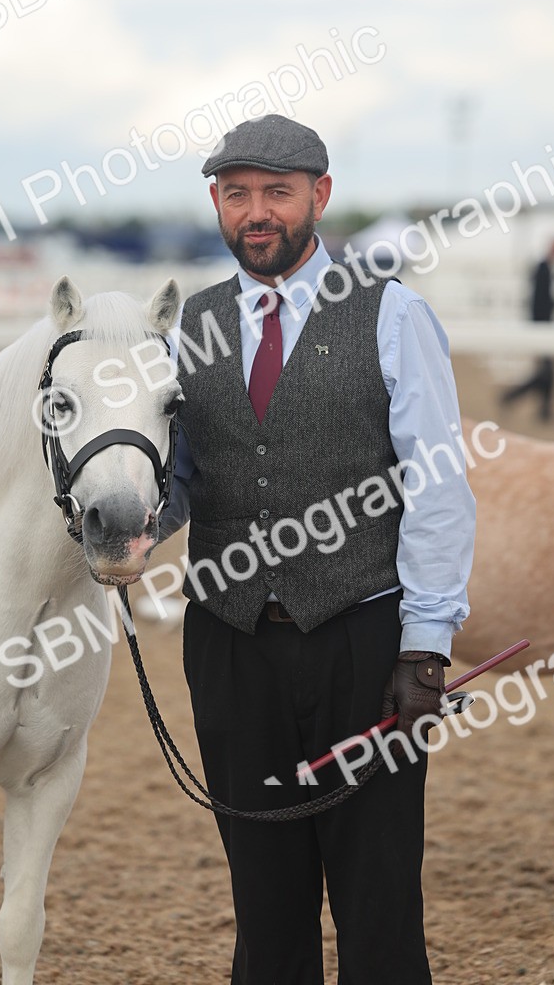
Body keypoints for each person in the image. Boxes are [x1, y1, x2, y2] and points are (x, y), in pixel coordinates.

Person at [158, 114, 474, 985]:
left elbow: (438, 487)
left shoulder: (392, 311)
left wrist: (427, 646)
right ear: (217, 204)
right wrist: (135, 522)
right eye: (238, 195)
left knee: (377, 904)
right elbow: (186, 475)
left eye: (277, 193)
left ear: (319, 197)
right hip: (228, 643)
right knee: (264, 905)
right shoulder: (194, 323)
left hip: (362, 641)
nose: (256, 213)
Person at [500, 238, 554, 422]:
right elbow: (539, 301)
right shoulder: (542, 269)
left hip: (544, 328)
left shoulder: (545, 268)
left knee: (547, 372)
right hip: (542, 328)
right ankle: (514, 398)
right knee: (547, 372)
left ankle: (541, 409)